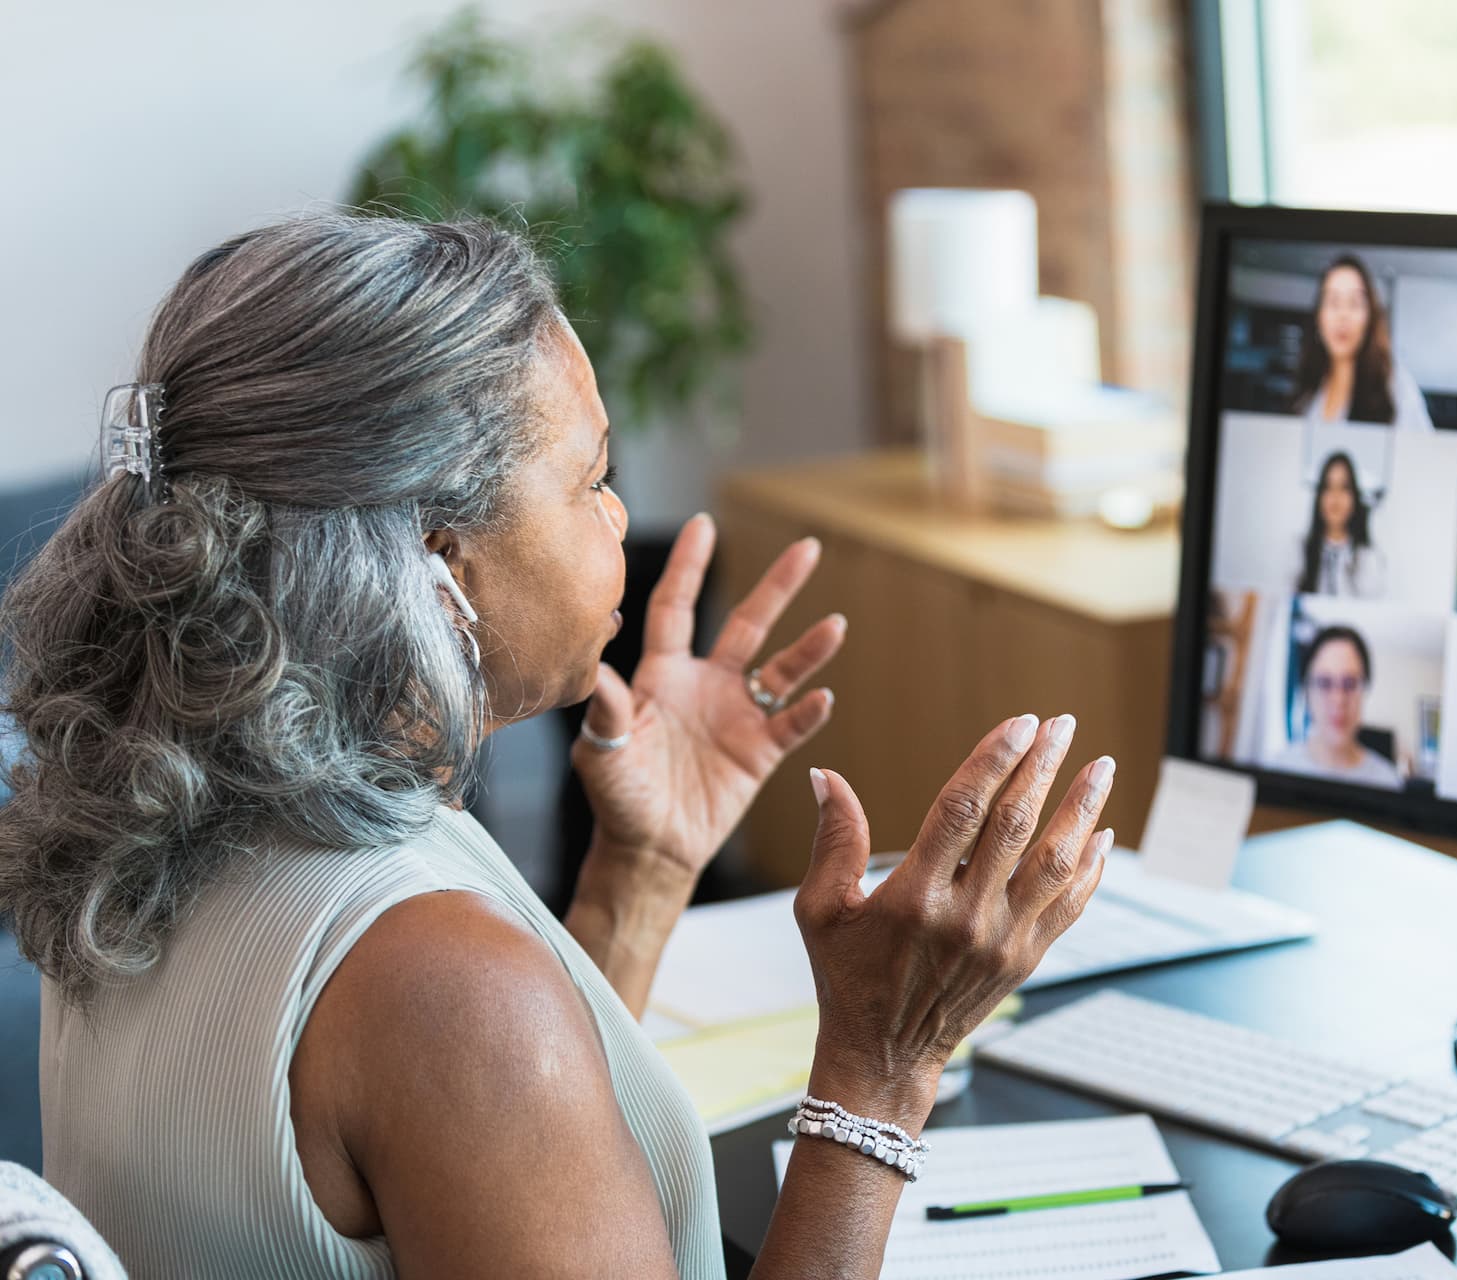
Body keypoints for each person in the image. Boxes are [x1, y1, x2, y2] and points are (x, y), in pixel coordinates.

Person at [0, 214, 1116, 1279]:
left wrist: (643, 871)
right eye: (589, 479)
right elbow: (464, 1048)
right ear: (439, 562)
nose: (622, 516)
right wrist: (882, 1067)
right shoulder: (434, 975)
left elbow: (473, 1149)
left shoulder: (156, 830)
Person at [1290, 254, 1434, 430]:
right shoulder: (1308, 389)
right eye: (1333, 302)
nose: (1343, 315)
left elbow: (1422, 451)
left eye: (1354, 303)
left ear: (1369, 318)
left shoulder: (1395, 386)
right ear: (1319, 317)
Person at [1268, 625, 1402, 789]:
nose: (1338, 699)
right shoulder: (1278, 769)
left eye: (1350, 684)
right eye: (1325, 683)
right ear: (1307, 691)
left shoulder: (1388, 781)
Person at [1295, 451, 1385, 598]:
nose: (1335, 497)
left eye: (1344, 488)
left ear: (1354, 497)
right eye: (1328, 487)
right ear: (1319, 497)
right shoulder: (1300, 550)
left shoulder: (1368, 557)